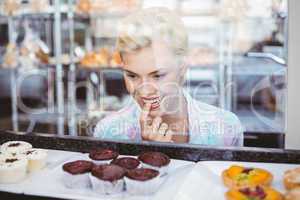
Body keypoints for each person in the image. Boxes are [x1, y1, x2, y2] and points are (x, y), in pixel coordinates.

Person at [94, 7, 244, 146]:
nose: (144, 91)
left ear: (182, 69)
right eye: (132, 76)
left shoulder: (226, 128)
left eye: (157, 76)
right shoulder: (107, 132)